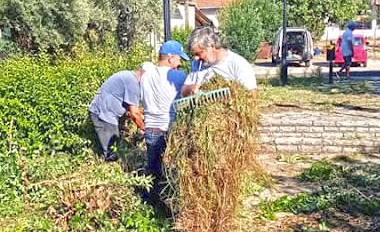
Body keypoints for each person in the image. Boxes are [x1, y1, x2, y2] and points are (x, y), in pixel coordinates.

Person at [140, 40, 188, 204]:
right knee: (171, 170)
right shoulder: (179, 76)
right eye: (179, 59)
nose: (180, 63)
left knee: (153, 169)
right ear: (170, 58)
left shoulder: (146, 75)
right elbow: (188, 98)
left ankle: (151, 205)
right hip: (169, 128)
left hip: (150, 128)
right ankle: (169, 205)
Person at [88, 64, 149, 161]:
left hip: (103, 113)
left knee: (118, 144)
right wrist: (144, 128)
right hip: (104, 116)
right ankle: (107, 169)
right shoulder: (132, 82)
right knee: (112, 153)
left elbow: (131, 109)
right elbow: (134, 113)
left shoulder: (128, 76)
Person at [181, 25, 258, 99]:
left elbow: (252, 96)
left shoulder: (238, 64)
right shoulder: (197, 64)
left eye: (199, 53)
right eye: (194, 54)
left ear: (212, 46)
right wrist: (192, 88)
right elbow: (183, 91)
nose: (196, 58)